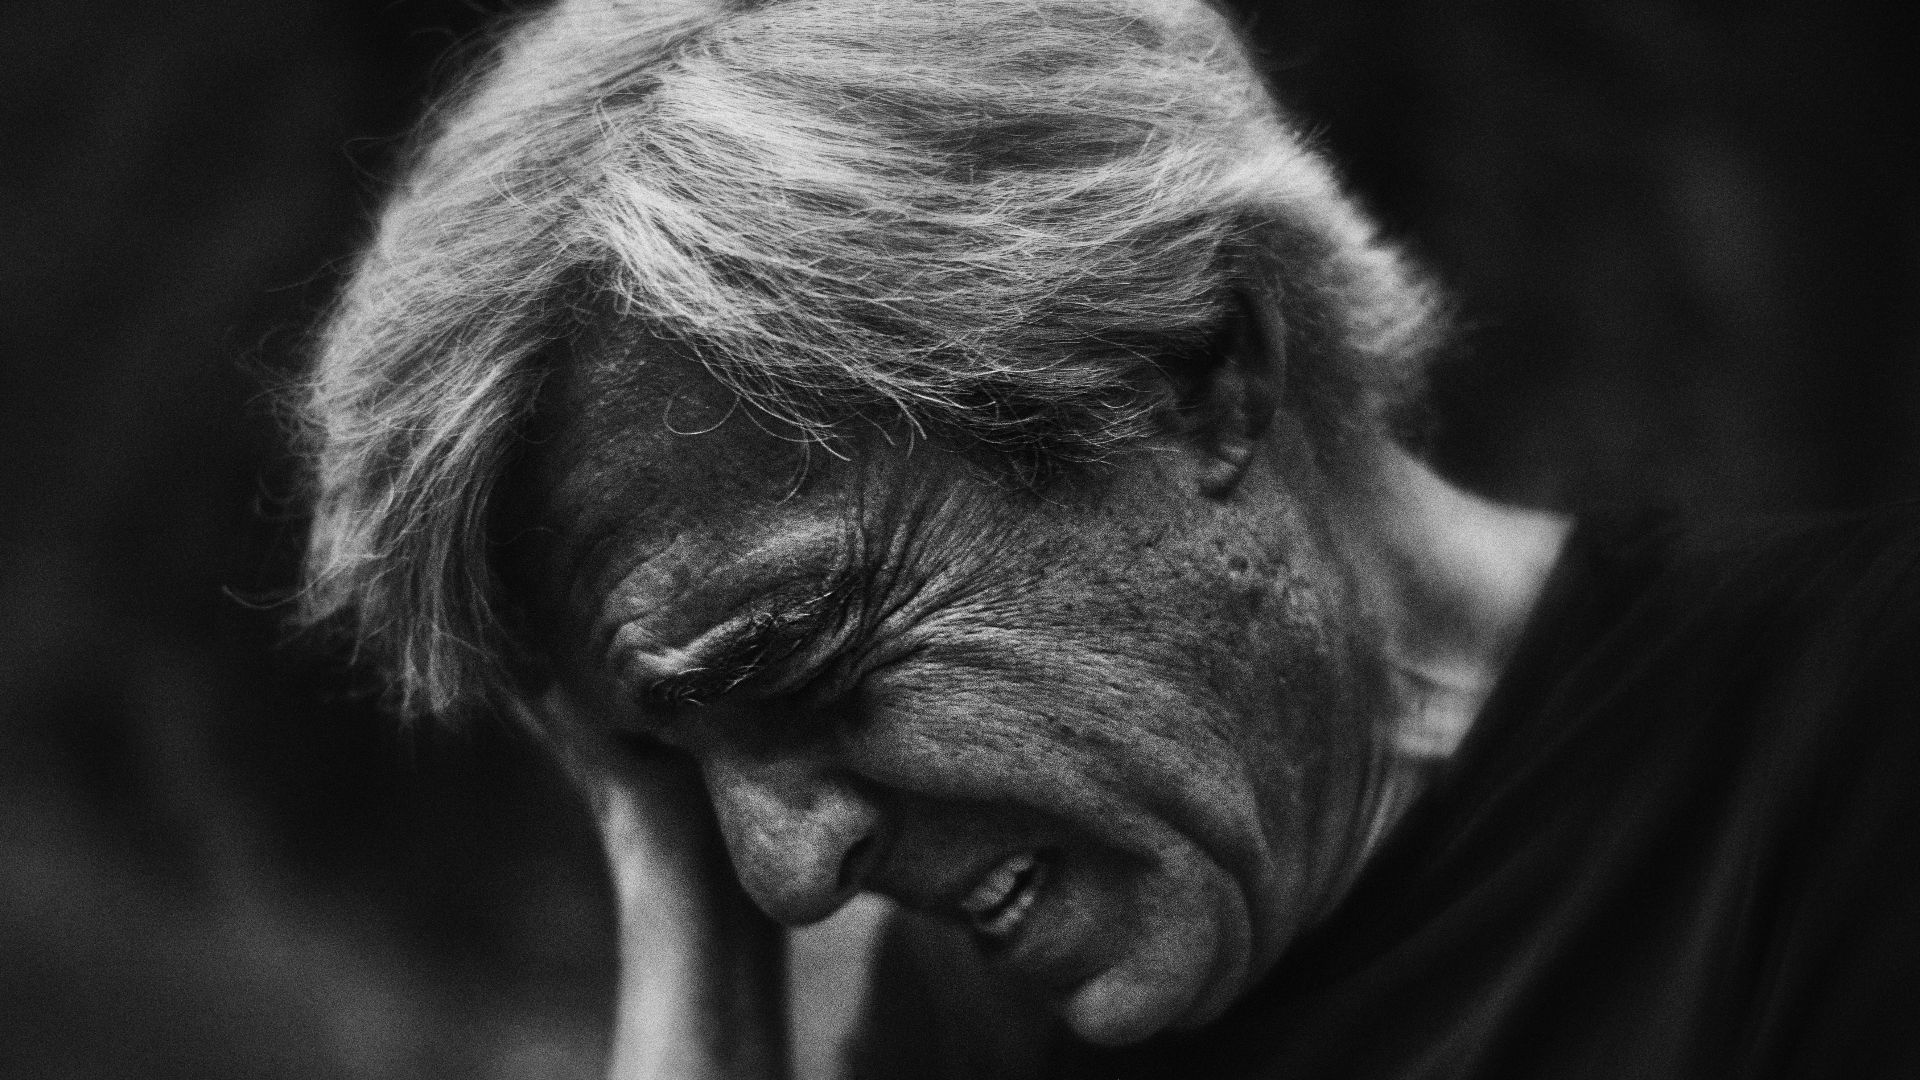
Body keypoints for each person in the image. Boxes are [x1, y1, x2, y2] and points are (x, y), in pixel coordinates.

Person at [295, 0, 1920, 1076]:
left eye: (799, 662)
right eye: (675, 748)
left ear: (1202, 372)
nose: (790, 880)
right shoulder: (983, 1007)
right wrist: (666, 869)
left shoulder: (1841, 758)